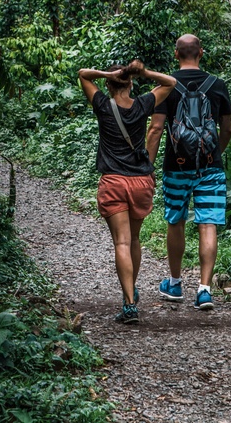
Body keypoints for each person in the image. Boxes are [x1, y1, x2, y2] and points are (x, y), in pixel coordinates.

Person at [79, 60, 177, 324]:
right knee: (134, 239)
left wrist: (106, 73)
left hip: (113, 182)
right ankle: (130, 295)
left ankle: (130, 304)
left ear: (109, 84)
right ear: (131, 83)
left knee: (121, 242)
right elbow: (170, 83)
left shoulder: (101, 104)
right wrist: (143, 72)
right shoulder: (143, 104)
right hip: (140, 183)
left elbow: (83, 74)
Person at [146, 34, 231, 310]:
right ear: (201, 53)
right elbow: (227, 128)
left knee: (176, 220)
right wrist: (214, 153)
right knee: (208, 224)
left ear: (176, 54)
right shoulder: (217, 84)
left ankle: (174, 283)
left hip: (176, 165)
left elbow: (157, 128)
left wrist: (147, 166)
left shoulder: (166, 85)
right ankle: (205, 290)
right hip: (210, 166)